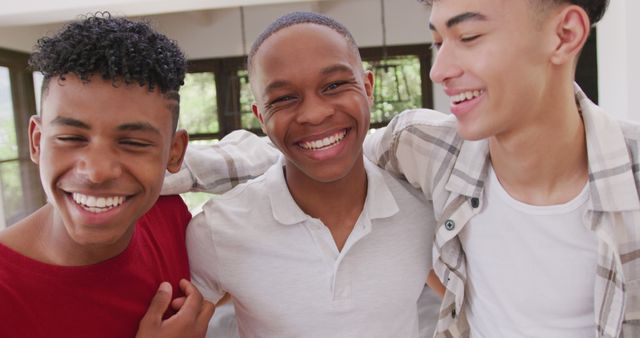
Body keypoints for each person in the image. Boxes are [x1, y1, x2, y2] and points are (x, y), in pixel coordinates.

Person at [363, 0, 640, 337]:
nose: (439, 70)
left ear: (565, 35)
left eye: (468, 36)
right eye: (439, 42)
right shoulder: (420, 146)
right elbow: (306, 164)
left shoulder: (633, 173)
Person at [182, 11, 441, 338]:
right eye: (284, 98)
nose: (315, 114)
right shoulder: (218, 230)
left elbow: (471, 308)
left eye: (333, 85)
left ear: (368, 87)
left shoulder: (422, 212)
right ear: (261, 118)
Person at [0, 12, 213, 338]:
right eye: (71, 138)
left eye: (133, 143)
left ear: (174, 152)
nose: (97, 172)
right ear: (37, 141)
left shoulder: (168, 217)